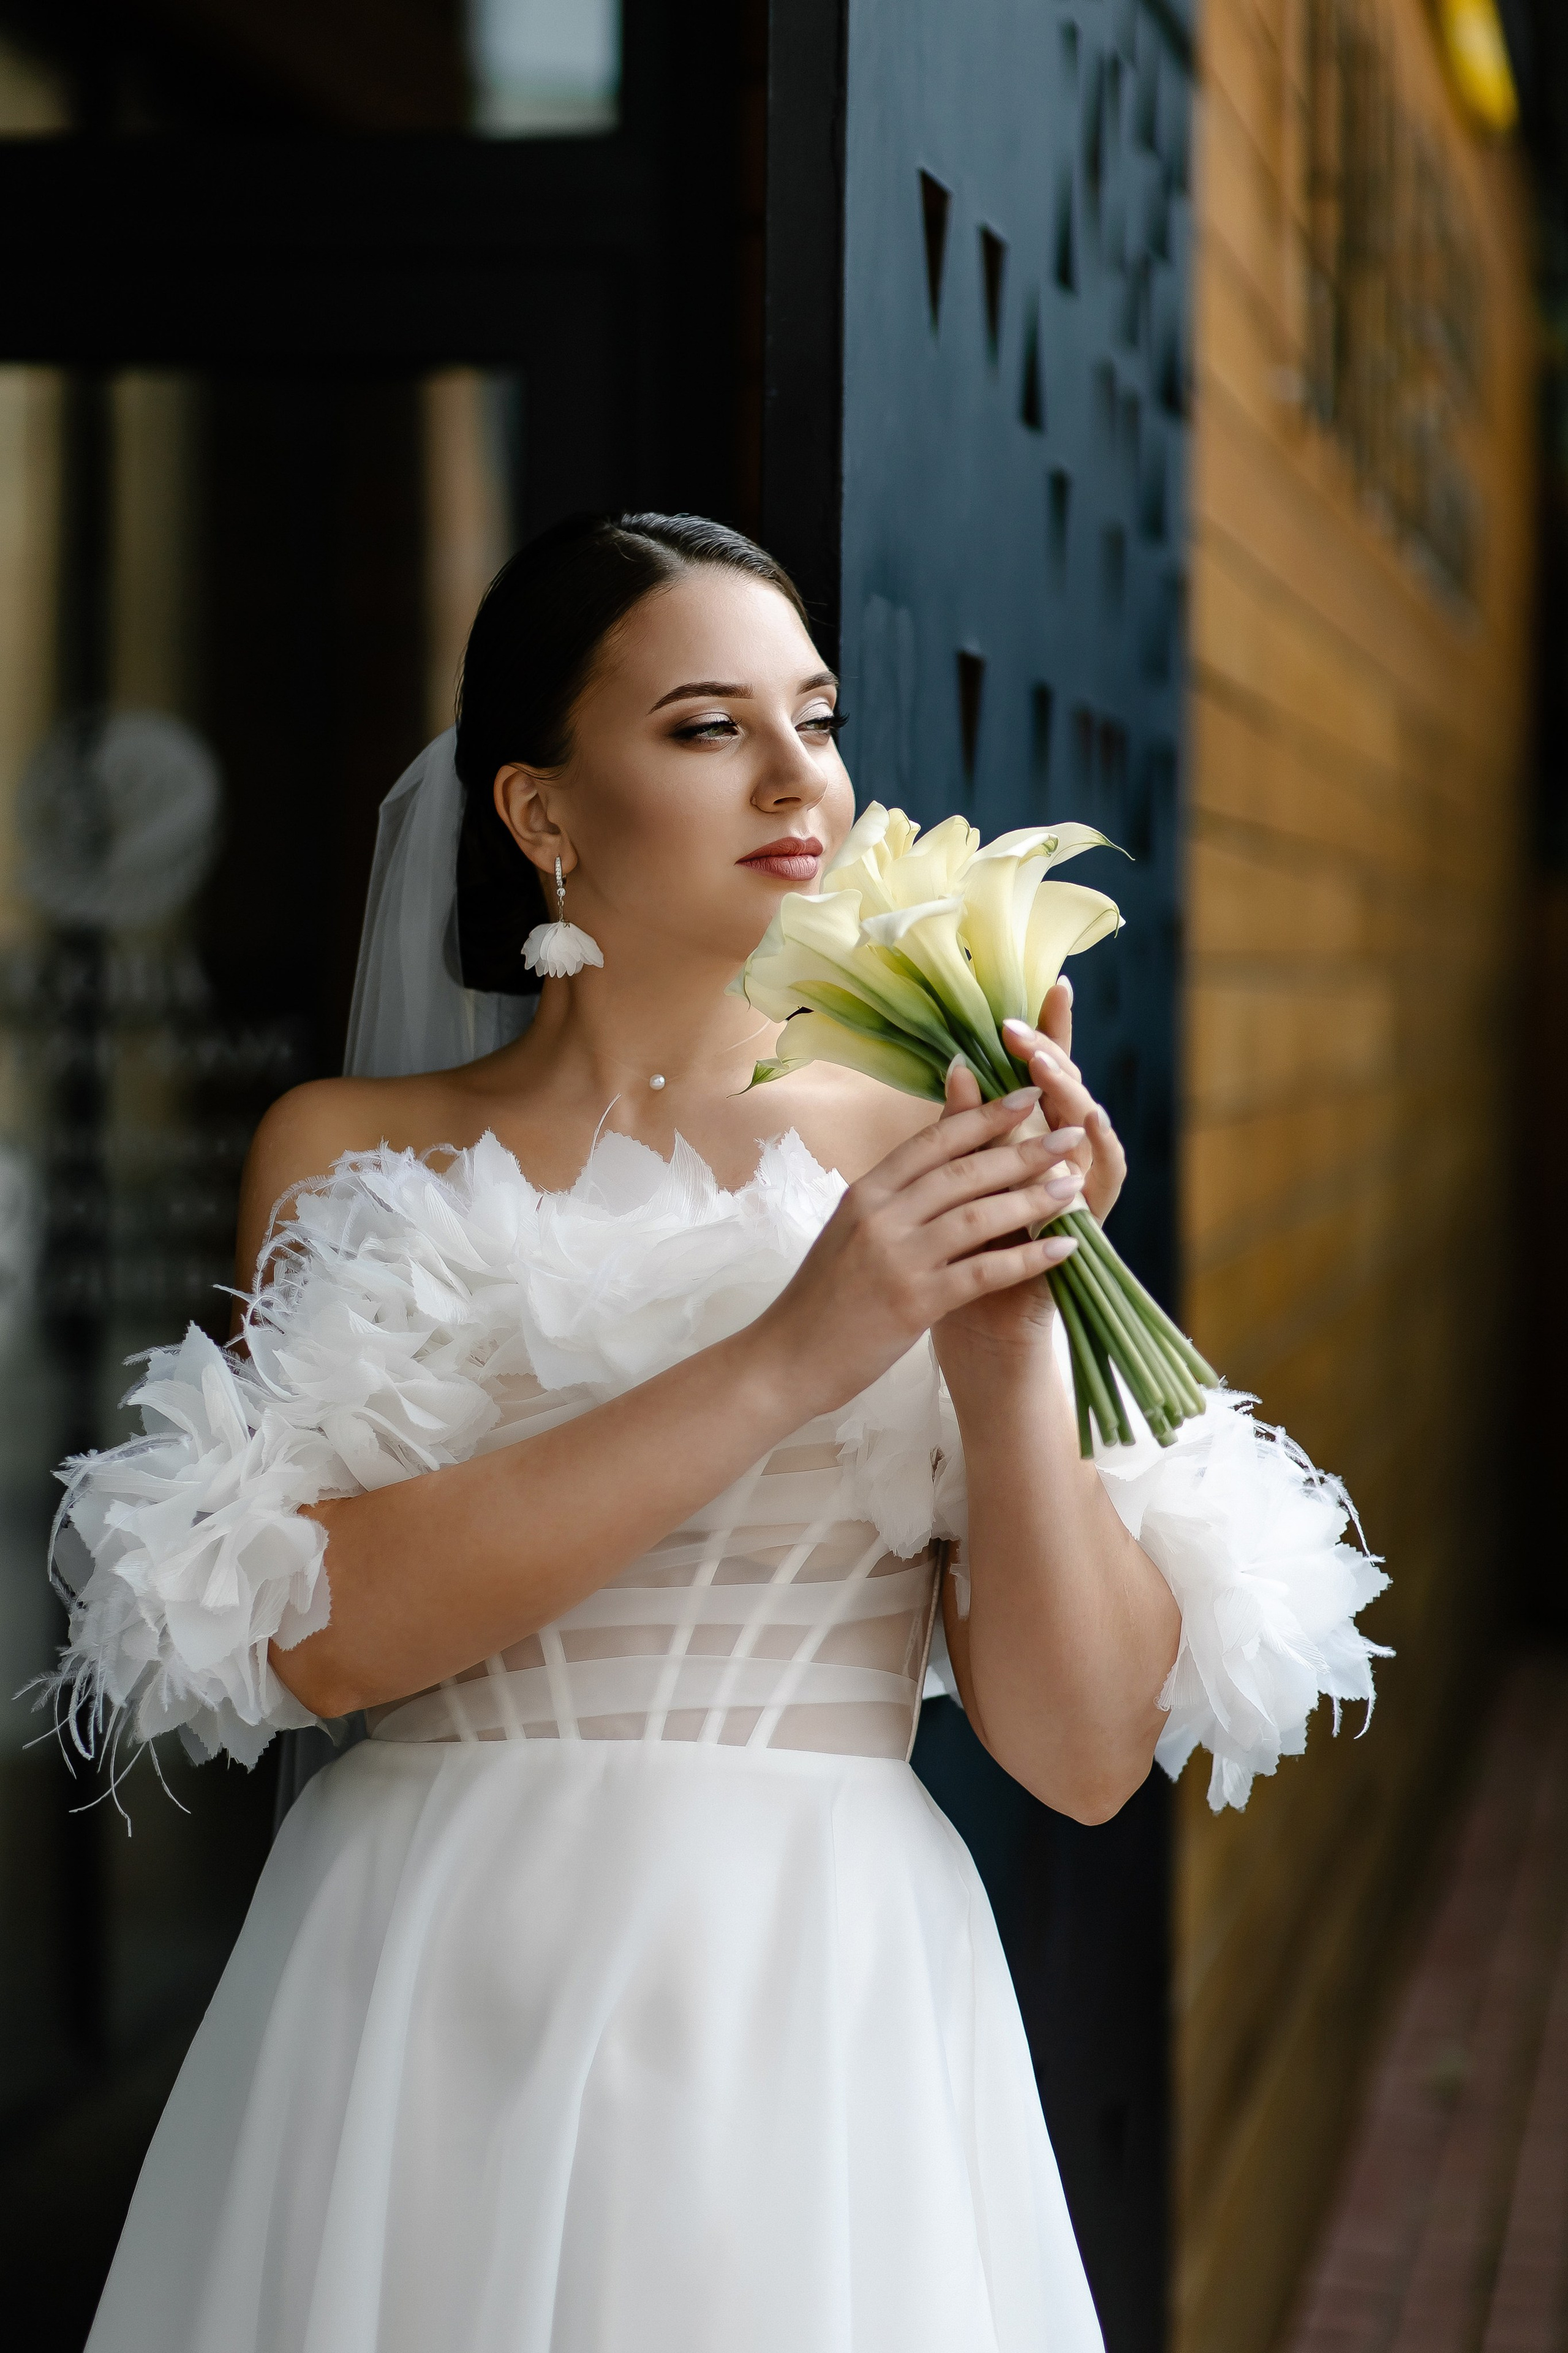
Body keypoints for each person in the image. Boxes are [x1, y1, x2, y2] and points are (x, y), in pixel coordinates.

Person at [51, 513, 1387, 2353]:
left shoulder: (934, 1149)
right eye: (707, 726)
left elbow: (1084, 1757)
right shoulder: (347, 1151)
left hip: (815, 1996)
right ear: (538, 809)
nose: (795, 777)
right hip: (427, 1977)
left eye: (814, 718)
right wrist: (791, 1353)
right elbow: (317, 1639)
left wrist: (1010, 1345)